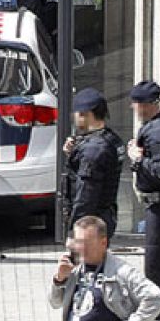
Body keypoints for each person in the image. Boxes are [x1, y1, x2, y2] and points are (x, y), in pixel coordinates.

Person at [127, 80, 160, 321]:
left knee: (156, 265)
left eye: (137, 103)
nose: (134, 108)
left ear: (146, 105)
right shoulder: (156, 127)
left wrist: (137, 158)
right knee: (157, 263)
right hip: (157, 205)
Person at [64, 88, 128, 237]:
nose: (74, 118)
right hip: (103, 216)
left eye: (76, 114)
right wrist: (73, 153)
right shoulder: (111, 139)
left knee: (88, 260)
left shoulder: (94, 150)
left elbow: (86, 196)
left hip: (90, 224)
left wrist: (75, 232)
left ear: (85, 114)